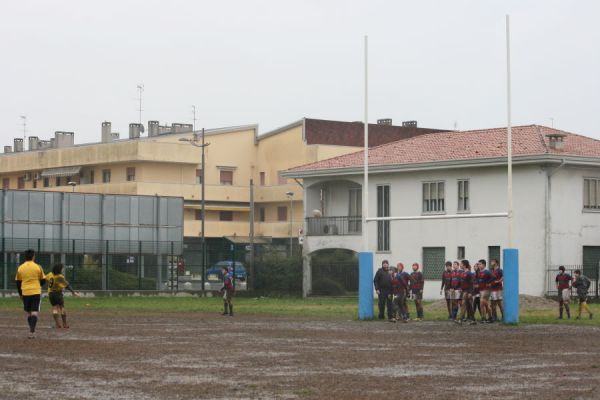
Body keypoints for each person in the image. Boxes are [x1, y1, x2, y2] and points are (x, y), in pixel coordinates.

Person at [15, 249, 46, 339]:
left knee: (29, 313)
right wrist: (38, 285)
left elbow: (18, 282)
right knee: (34, 312)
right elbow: (43, 280)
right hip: (36, 291)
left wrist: (20, 294)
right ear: (33, 256)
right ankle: (32, 331)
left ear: (25, 257)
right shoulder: (38, 267)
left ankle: (31, 330)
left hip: (25, 292)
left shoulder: (20, 267)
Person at [45, 263, 79, 328]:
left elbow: (45, 279)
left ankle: (57, 324)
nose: (63, 269)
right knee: (62, 308)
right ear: (59, 269)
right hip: (58, 294)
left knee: (54, 308)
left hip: (51, 294)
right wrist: (73, 292)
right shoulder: (60, 277)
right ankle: (65, 324)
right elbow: (67, 285)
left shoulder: (50, 274)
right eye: (62, 268)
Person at [457, 260, 477, 325]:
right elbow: (462, 283)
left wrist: (470, 293)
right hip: (464, 291)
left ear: (464, 265)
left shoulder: (469, 273)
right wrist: (460, 288)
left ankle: (460, 319)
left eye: (461, 264)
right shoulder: (462, 273)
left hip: (468, 291)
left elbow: (472, 284)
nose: (460, 265)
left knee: (463, 304)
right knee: (469, 306)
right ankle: (473, 320)